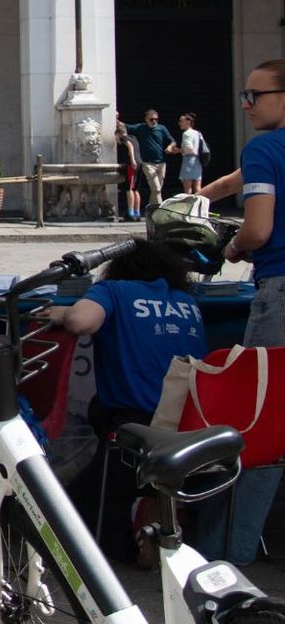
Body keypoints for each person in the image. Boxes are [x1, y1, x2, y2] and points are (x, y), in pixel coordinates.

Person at [50, 240, 205, 561]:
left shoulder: (115, 291)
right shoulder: (187, 301)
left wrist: (60, 312)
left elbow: (80, 321)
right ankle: (158, 507)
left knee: (76, 508)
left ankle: (133, 535)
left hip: (136, 425)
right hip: (191, 422)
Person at [194, 59, 285, 564]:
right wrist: (201, 195)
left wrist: (232, 248)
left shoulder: (266, 147)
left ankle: (227, 552)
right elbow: (237, 180)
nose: (246, 105)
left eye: (255, 95)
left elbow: (258, 230)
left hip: (280, 290)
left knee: (263, 425)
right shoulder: (265, 154)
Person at [123, 109, 176, 208]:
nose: (154, 121)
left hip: (161, 163)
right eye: (151, 119)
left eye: (156, 119)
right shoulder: (140, 127)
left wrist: (170, 146)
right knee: (156, 189)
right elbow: (125, 126)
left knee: (157, 190)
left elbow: (172, 141)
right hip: (148, 163)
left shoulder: (161, 128)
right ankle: (160, 209)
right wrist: (115, 118)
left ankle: (151, 208)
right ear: (146, 119)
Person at [177, 111, 208, 197]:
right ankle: (200, 204)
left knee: (188, 189)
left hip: (189, 161)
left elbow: (189, 149)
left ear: (188, 122)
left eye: (181, 121)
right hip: (198, 161)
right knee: (198, 187)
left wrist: (178, 150)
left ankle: (189, 204)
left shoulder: (186, 134)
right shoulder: (197, 133)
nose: (179, 123)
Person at [117, 120, 142, 221]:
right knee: (136, 189)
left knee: (129, 188)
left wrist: (132, 160)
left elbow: (129, 146)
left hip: (132, 164)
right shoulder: (134, 137)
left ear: (118, 134)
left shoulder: (124, 138)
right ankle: (137, 213)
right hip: (140, 163)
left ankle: (130, 213)